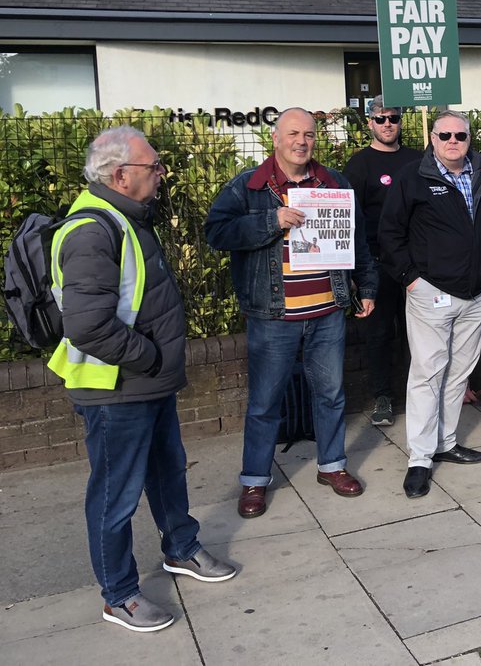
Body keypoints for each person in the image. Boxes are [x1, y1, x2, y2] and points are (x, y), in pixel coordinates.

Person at [51, 126, 235, 632]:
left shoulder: (127, 217)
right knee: (116, 496)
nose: (161, 173)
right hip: (116, 389)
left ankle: (181, 548)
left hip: (144, 383)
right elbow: (87, 325)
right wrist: (150, 356)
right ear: (120, 174)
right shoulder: (93, 230)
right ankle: (120, 595)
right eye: (153, 166)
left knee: (167, 473)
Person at [206, 108, 376, 519]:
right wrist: (270, 220)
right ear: (276, 139)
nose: (302, 141)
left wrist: (366, 286)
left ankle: (331, 465)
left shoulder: (333, 183)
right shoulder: (248, 186)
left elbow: (358, 239)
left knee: (331, 394)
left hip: (327, 311)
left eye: (309, 134)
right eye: (294, 134)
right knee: (265, 402)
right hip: (272, 316)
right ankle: (254, 480)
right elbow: (217, 233)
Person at [378, 110, 481, 498]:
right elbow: (389, 233)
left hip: (476, 292)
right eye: (444, 135)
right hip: (431, 293)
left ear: (469, 139)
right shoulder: (412, 178)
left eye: (460, 136)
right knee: (428, 373)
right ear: (432, 138)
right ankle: (419, 457)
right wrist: (411, 279)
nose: (452, 141)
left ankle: (445, 442)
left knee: (459, 371)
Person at [343, 96, 421, 426]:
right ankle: (382, 396)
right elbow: (348, 219)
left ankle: (418, 392)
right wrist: (353, 271)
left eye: (393, 117)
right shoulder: (358, 165)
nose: (387, 123)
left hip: (415, 261)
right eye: (380, 118)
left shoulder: (418, 160)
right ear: (369, 124)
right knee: (378, 333)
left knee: (417, 332)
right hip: (375, 263)